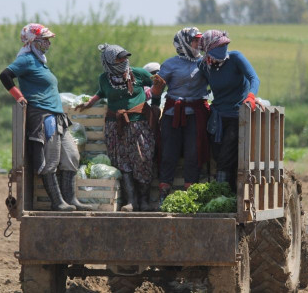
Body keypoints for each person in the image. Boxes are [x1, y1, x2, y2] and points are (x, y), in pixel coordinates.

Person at [0, 23, 92, 211]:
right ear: (33, 40)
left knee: (72, 155)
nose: (48, 43)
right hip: (43, 116)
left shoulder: (40, 60)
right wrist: (19, 96)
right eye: (44, 39)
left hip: (57, 116)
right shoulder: (26, 59)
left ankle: (71, 199)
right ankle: (57, 203)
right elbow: (5, 75)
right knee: (51, 159)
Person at [76, 44, 158, 212]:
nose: (124, 61)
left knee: (144, 159)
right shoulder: (105, 79)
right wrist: (90, 103)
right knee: (122, 162)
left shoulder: (138, 74)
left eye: (125, 57)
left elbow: (157, 87)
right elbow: (101, 92)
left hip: (139, 124)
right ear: (109, 61)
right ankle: (131, 201)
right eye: (120, 58)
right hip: (116, 125)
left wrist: (157, 98)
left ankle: (144, 200)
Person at [197, 30, 262, 191]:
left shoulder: (235, 58)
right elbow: (197, 86)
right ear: (207, 49)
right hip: (217, 117)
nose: (223, 48)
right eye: (219, 46)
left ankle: (221, 193)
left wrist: (252, 96)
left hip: (236, 115)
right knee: (219, 155)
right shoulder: (204, 66)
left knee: (226, 157)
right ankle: (230, 192)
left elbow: (254, 78)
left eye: (225, 44)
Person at [152, 27, 210, 205]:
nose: (198, 44)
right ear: (184, 43)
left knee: (194, 152)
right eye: (194, 41)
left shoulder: (205, 63)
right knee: (169, 152)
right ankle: (164, 193)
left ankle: (190, 195)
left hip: (196, 114)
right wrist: (154, 106)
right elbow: (157, 88)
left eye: (199, 41)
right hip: (172, 114)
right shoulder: (170, 64)